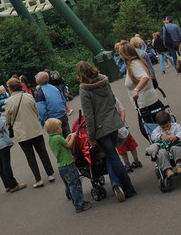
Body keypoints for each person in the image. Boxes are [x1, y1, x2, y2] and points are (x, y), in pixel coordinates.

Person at [77, 60, 137, 202]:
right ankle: (118, 184)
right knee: (113, 155)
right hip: (113, 123)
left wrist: (90, 136)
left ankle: (128, 187)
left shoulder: (84, 89)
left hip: (100, 128)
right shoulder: (104, 80)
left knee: (112, 157)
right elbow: (111, 99)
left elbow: (88, 115)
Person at [4, 77, 55, 187]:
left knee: (30, 156)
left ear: (10, 89)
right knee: (42, 151)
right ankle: (50, 173)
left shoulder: (8, 102)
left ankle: (38, 179)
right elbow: (36, 111)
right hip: (34, 128)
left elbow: (8, 119)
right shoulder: (28, 96)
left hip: (21, 132)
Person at [118, 42, 164, 141]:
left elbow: (144, 77)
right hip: (147, 102)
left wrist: (136, 90)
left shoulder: (134, 65)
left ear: (125, 54)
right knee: (152, 130)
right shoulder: (136, 62)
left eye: (120, 53)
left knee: (149, 131)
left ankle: (160, 148)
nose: (119, 55)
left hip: (146, 104)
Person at [45, 117, 91, 213]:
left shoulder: (51, 139)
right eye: (60, 128)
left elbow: (64, 144)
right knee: (75, 184)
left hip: (61, 166)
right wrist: (73, 137)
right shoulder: (58, 137)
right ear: (56, 129)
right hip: (68, 165)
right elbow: (69, 145)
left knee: (70, 185)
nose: (61, 129)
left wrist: (68, 137)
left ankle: (78, 201)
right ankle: (79, 205)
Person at [145, 110, 181, 178]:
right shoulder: (158, 130)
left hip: (174, 144)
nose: (166, 128)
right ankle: (168, 170)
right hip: (164, 147)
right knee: (161, 153)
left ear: (170, 122)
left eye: (167, 126)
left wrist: (176, 136)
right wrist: (160, 137)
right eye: (163, 127)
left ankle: (179, 165)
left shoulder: (175, 126)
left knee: (176, 148)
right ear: (159, 125)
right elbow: (153, 136)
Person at [34, 71, 71, 135]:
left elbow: (41, 110)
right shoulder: (55, 88)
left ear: (38, 82)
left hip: (53, 119)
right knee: (68, 135)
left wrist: (44, 120)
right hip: (63, 114)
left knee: (57, 140)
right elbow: (63, 100)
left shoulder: (40, 93)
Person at [114, 96, 142, 171]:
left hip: (114, 129)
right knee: (130, 143)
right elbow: (122, 110)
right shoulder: (114, 99)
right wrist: (122, 121)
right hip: (122, 127)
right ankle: (136, 161)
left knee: (121, 146)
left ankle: (127, 165)